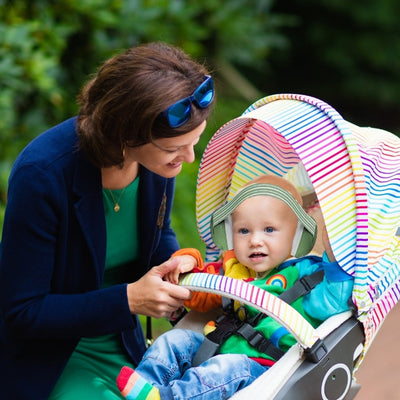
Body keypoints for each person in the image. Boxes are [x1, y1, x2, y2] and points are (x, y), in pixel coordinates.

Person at [0, 41, 215, 399]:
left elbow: (156, 233)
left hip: (122, 343)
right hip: (53, 359)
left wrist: (177, 264)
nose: (189, 158)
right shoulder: (42, 175)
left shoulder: (154, 160)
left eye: (193, 142)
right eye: (175, 148)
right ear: (127, 133)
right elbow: (22, 310)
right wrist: (128, 301)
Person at [116, 175, 354, 400]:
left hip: (261, 367)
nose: (255, 240)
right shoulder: (232, 269)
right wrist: (187, 262)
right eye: (244, 231)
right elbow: (194, 295)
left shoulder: (307, 274)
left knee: (225, 367)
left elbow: (334, 300)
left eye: (269, 229)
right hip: (215, 347)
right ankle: (148, 384)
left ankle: (168, 397)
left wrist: (335, 257)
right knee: (175, 340)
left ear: (295, 235)